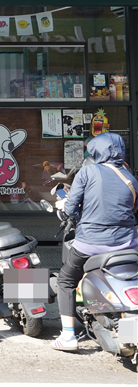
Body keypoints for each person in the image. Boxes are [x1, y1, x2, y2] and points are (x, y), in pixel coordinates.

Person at [52, 132, 138, 351]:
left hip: (90, 242)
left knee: (66, 280)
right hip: (128, 244)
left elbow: (71, 208)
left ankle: (68, 336)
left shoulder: (88, 171)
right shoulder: (130, 178)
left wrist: (63, 205)